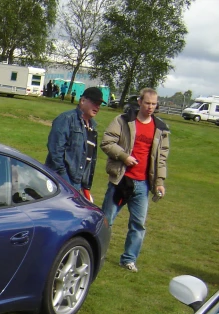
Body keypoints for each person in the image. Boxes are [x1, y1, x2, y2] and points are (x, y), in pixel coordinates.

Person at [100, 88, 169, 273]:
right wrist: (124, 157)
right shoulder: (123, 121)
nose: (150, 107)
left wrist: (159, 182)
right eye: (147, 103)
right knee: (106, 220)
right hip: (121, 180)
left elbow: (161, 158)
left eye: (154, 104)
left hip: (143, 184)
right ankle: (96, 252)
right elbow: (107, 142)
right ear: (139, 102)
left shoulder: (160, 128)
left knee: (138, 225)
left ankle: (128, 260)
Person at [45, 86, 103, 201]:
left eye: (99, 104)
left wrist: (85, 186)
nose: (97, 107)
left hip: (78, 184)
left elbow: (89, 159)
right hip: (59, 182)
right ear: (82, 101)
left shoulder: (93, 127)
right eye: (94, 103)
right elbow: (55, 151)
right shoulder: (66, 119)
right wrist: (65, 180)